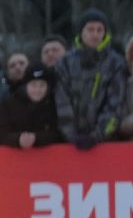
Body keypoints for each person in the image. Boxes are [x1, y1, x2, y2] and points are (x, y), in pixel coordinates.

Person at [54, 8, 127, 150]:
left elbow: (115, 104)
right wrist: (71, 135)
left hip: (105, 143)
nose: (95, 34)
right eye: (90, 29)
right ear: (81, 32)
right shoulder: (65, 63)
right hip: (69, 143)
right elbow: (61, 103)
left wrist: (97, 135)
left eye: (100, 30)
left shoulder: (115, 63)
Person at [0, 63, 63, 150]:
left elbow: (58, 132)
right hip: (15, 157)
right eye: (33, 85)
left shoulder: (55, 104)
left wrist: (36, 138)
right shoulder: (9, 103)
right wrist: (18, 139)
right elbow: (1, 133)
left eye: (42, 85)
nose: (37, 90)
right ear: (26, 85)